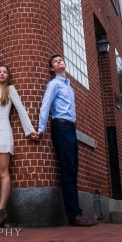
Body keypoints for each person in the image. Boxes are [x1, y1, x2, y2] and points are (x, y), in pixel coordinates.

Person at [37, 54, 98, 227]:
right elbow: (45, 106)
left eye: (61, 60)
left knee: (73, 171)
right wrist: (41, 129)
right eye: (55, 62)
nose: (59, 62)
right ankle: (73, 216)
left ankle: (77, 213)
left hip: (71, 128)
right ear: (52, 69)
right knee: (67, 171)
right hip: (61, 127)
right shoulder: (53, 84)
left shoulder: (70, 88)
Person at [0, 65, 39, 227]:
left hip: (3, 133)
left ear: (7, 76)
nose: (2, 74)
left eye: (5, 72)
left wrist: (29, 130)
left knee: (2, 172)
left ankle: (1, 212)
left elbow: (20, 109)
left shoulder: (10, 90)